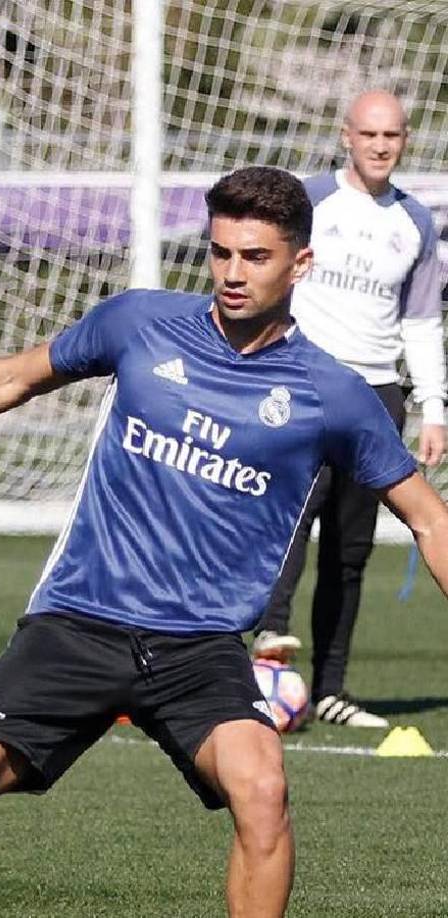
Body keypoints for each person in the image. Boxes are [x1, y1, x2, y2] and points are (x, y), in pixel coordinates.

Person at [0, 165, 448, 918]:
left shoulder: (334, 394)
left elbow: (428, 516)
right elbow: (14, 379)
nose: (232, 273)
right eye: (220, 253)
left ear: (301, 264)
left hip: (201, 651)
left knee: (262, 790)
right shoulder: (140, 323)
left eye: (254, 258)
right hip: (77, 626)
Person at [251, 90, 445, 729]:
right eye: (370, 134)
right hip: (305, 384)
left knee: (351, 547)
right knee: (286, 524)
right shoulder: (309, 203)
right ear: (347, 136)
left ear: (404, 140)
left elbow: (420, 322)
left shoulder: (416, 224)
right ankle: (267, 662)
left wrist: (434, 408)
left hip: (378, 397)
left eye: (392, 135)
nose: (381, 146)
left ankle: (332, 689)